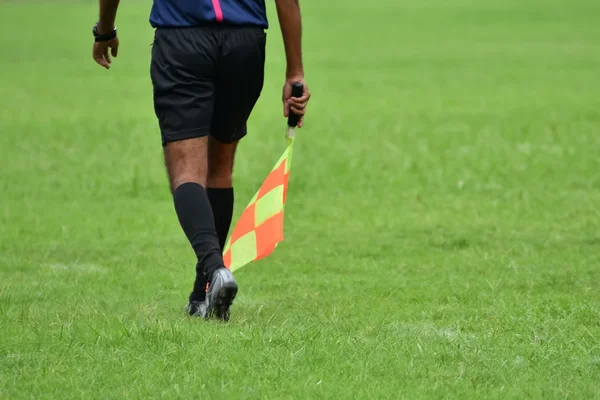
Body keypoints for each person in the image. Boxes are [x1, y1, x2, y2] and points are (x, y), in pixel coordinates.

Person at [92, 0, 311, 321]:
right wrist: (295, 71)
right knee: (220, 170)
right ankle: (202, 294)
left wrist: (105, 29)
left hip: (183, 40)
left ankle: (215, 270)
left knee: (186, 173)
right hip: (245, 43)